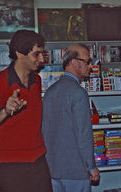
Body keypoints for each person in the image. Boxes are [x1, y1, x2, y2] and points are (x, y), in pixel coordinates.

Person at [0, 30, 52, 192]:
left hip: (38, 159)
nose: (42, 59)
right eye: (36, 54)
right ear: (19, 54)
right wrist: (5, 111)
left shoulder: (36, 80)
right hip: (11, 165)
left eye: (42, 54)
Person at [42, 43, 100, 192]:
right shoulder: (78, 93)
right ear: (74, 63)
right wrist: (91, 167)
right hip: (75, 171)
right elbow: (84, 135)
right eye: (87, 62)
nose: (90, 66)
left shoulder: (50, 91)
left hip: (52, 169)